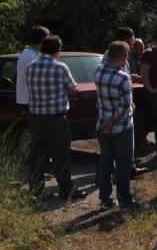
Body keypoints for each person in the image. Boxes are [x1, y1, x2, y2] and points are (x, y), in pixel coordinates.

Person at [25, 35, 87, 199]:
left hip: (36, 117)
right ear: (57, 50)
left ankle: (36, 192)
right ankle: (66, 190)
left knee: (37, 157)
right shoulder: (60, 67)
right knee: (61, 157)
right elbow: (73, 88)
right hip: (55, 119)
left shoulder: (30, 66)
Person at [94, 41, 139, 209]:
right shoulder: (123, 77)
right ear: (125, 56)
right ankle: (124, 198)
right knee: (123, 164)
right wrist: (111, 120)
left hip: (102, 125)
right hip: (122, 127)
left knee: (105, 162)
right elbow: (126, 105)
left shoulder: (98, 71)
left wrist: (106, 121)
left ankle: (105, 199)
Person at [16, 25, 50, 109]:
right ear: (43, 40)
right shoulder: (32, 57)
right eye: (48, 39)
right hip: (30, 101)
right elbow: (39, 81)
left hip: (27, 100)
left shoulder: (27, 52)